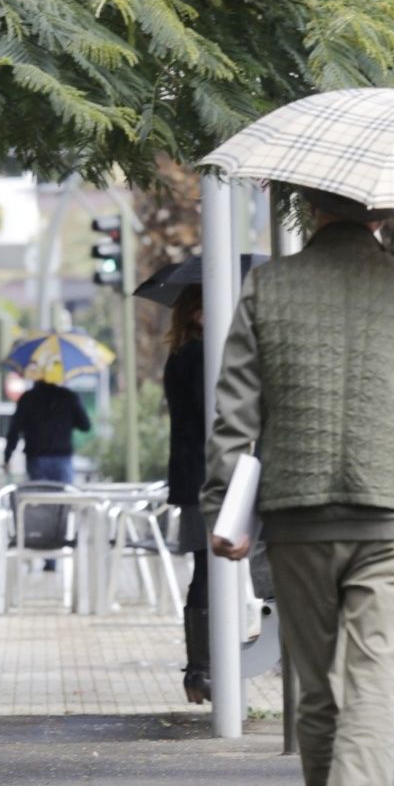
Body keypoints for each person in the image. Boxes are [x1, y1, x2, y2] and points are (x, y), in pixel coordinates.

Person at [202, 190, 394, 786]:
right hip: (390, 510)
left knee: (316, 683)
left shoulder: (268, 285)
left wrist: (221, 511)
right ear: (379, 214)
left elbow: (234, 409)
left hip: (296, 512)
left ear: (309, 208)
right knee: (376, 680)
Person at [163, 285, 210, 704]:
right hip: (206, 477)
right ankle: (202, 669)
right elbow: (212, 413)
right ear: (197, 313)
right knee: (209, 568)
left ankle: (200, 669)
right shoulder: (198, 357)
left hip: (192, 476)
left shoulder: (181, 355)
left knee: (205, 567)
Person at [2, 373, 91, 484]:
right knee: (65, 497)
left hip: (36, 457)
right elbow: (85, 426)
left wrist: (7, 457)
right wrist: (65, 421)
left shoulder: (28, 398)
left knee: (40, 497)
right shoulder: (68, 397)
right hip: (62, 456)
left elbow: (14, 431)